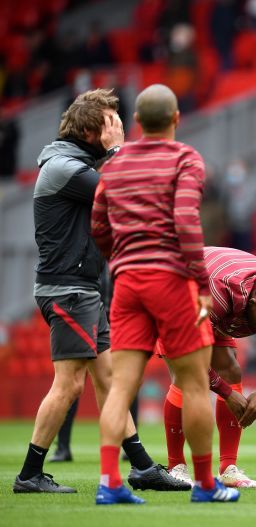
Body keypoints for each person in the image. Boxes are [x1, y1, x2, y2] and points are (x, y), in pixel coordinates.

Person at [13, 89, 185, 494]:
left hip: (83, 288)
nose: (121, 131)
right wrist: (118, 150)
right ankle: (29, 474)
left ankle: (141, 467)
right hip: (68, 288)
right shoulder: (62, 167)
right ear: (93, 130)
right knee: (69, 384)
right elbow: (122, 193)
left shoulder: (78, 162)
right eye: (113, 124)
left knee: (110, 381)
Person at [91, 84, 239, 505]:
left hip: (127, 282)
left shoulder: (113, 167)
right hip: (171, 280)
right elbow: (187, 222)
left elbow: (98, 226)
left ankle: (109, 483)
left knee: (121, 386)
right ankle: (207, 485)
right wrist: (202, 284)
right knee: (193, 383)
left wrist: (119, 260)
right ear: (176, 119)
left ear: (136, 123)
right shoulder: (185, 158)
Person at [163, 246, 256, 488]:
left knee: (231, 370)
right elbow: (187, 356)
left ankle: (228, 468)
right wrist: (227, 393)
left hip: (217, 306)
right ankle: (175, 467)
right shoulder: (219, 294)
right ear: (252, 304)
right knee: (185, 377)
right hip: (179, 290)